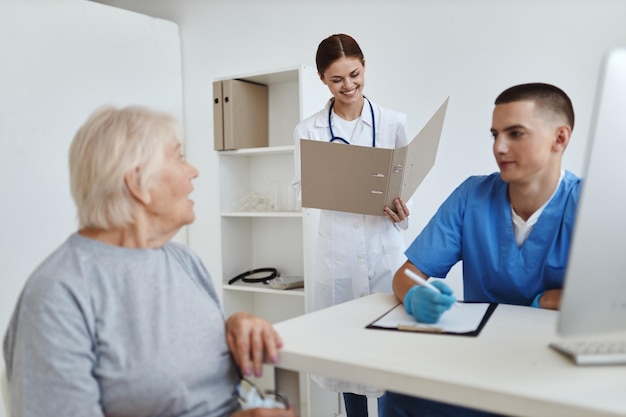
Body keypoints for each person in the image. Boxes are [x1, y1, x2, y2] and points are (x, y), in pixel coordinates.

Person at [3, 106, 297, 417]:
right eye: (179, 157)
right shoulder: (57, 294)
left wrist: (233, 328)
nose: (193, 171)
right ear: (138, 182)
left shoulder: (182, 261)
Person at [382, 83, 580, 417]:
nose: (500, 147)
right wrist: (417, 295)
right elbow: (407, 275)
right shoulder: (472, 196)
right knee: (400, 396)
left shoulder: (591, 204)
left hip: (554, 366)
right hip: (479, 360)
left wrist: (554, 301)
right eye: (495, 134)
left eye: (515, 133)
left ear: (559, 138)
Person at [290, 33, 410, 416]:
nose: (349, 86)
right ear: (323, 80)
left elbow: (405, 182)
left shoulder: (393, 122)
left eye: (355, 74)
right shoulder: (308, 129)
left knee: (389, 355)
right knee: (347, 357)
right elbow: (298, 191)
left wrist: (402, 210)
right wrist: (334, 186)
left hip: (382, 252)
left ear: (364, 66)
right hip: (338, 254)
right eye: (336, 79)